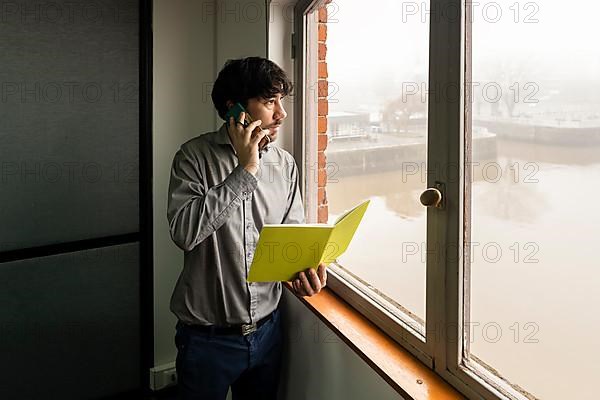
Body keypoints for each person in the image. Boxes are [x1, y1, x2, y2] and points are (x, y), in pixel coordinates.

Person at [167, 56, 328, 400]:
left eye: (281, 101)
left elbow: (292, 235)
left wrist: (305, 269)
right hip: (205, 340)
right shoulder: (193, 157)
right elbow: (184, 232)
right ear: (234, 109)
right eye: (270, 102)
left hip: (268, 332)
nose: (281, 114)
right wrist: (247, 170)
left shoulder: (285, 164)